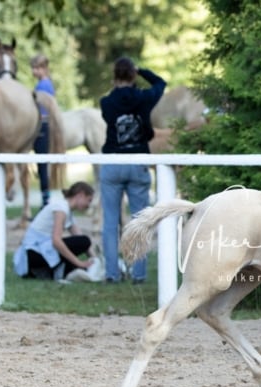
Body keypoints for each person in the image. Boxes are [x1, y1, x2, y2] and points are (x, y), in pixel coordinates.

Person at [99, 57, 166, 284]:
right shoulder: (144, 98)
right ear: (133, 75)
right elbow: (160, 83)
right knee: (140, 220)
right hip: (138, 162)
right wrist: (142, 71)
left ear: (115, 76)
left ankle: (111, 273)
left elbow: (112, 104)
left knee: (110, 222)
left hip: (112, 163)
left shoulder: (106, 103)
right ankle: (138, 273)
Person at [13, 182, 95, 280]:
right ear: (80, 195)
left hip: (39, 251)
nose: (88, 205)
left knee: (82, 243)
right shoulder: (61, 208)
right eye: (88, 200)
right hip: (32, 253)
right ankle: (48, 270)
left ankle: (47, 272)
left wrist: (96, 260)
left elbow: (78, 235)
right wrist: (79, 263)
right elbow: (56, 241)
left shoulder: (67, 211)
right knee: (83, 241)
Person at [30, 53, 54, 208]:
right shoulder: (42, 84)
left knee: (42, 166)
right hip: (41, 125)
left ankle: (46, 201)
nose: (33, 71)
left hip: (43, 126)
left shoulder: (44, 86)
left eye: (36, 68)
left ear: (44, 68)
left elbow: (44, 110)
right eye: (32, 68)